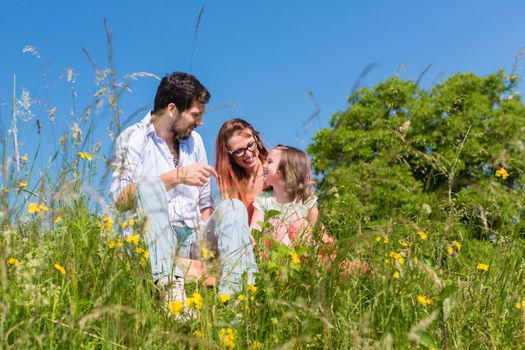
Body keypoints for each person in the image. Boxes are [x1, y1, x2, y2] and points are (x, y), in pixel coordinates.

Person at [109, 72, 257, 314]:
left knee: (233, 208)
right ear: (172, 110)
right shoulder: (133, 138)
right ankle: (173, 295)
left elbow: (205, 205)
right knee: (148, 187)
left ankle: (234, 302)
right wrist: (176, 176)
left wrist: (224, 235)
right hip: (152, 237)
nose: (200, 123)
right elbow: (121, 199)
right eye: (195, 115)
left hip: (192, 237)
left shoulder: (194, 141)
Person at [249, 145, 320, 247]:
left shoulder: (306, 199)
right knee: (274, 224)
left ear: (286, 169)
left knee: (301, 224)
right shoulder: (263, 200)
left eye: (270, 162)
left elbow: (315, 230)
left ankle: (303, 260)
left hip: (301, 251)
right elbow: (254, 232)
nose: (263, 165)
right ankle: (290, 260)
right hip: (273, 256)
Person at [215, 118, 268, 222]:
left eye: (251, 145)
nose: (248, 154)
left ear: (257, 139)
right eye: (239, 151)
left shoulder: (277, 169)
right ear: (229, 156)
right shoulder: (231, 188)